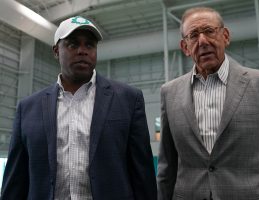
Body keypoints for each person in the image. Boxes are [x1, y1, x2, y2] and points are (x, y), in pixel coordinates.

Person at [1, 16, 157, 200]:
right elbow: (15, 181)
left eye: (89, 45)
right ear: (56, 51)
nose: (82, 51)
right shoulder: (27, 108)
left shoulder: (128, 100)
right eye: (73, 45)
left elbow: (142, 174)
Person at [157, 7, 259, 200]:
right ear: (185, 47)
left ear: (225, 36)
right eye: (193, 35)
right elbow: (168, 164)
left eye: (209, 31)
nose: (203, 41)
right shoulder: (169, 92)